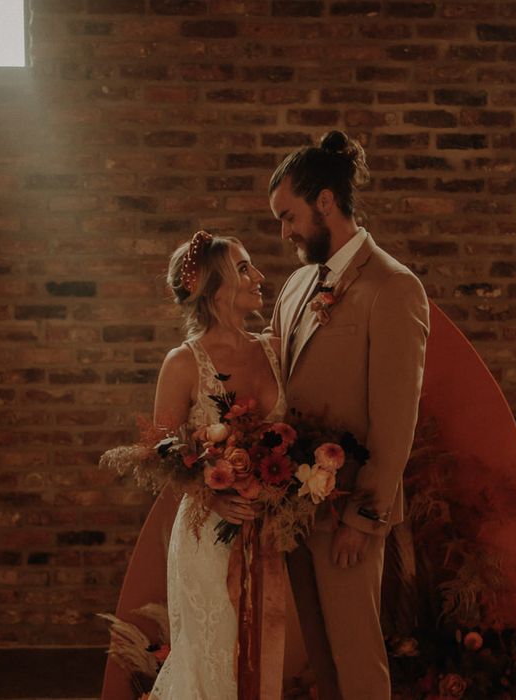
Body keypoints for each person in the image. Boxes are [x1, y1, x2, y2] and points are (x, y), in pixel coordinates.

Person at [269, 131, 430, 700]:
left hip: (349, 516)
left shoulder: (393, 287)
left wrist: (366, 519)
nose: (284, 231)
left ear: (326, 202)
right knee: (320, 656)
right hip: (293, 508)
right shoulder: (293, 286)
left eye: (289, 216)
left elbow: (396, 419)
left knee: (358, 658)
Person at [148, 230, 286, 700]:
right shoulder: (184, 363)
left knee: (275, 662)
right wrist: (216, 494)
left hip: (278, 535)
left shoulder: (276, 349)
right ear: (214, 288)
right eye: (245, 268)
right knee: (216, 665)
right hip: (210, 534)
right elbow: (158, 450)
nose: (259, 277)